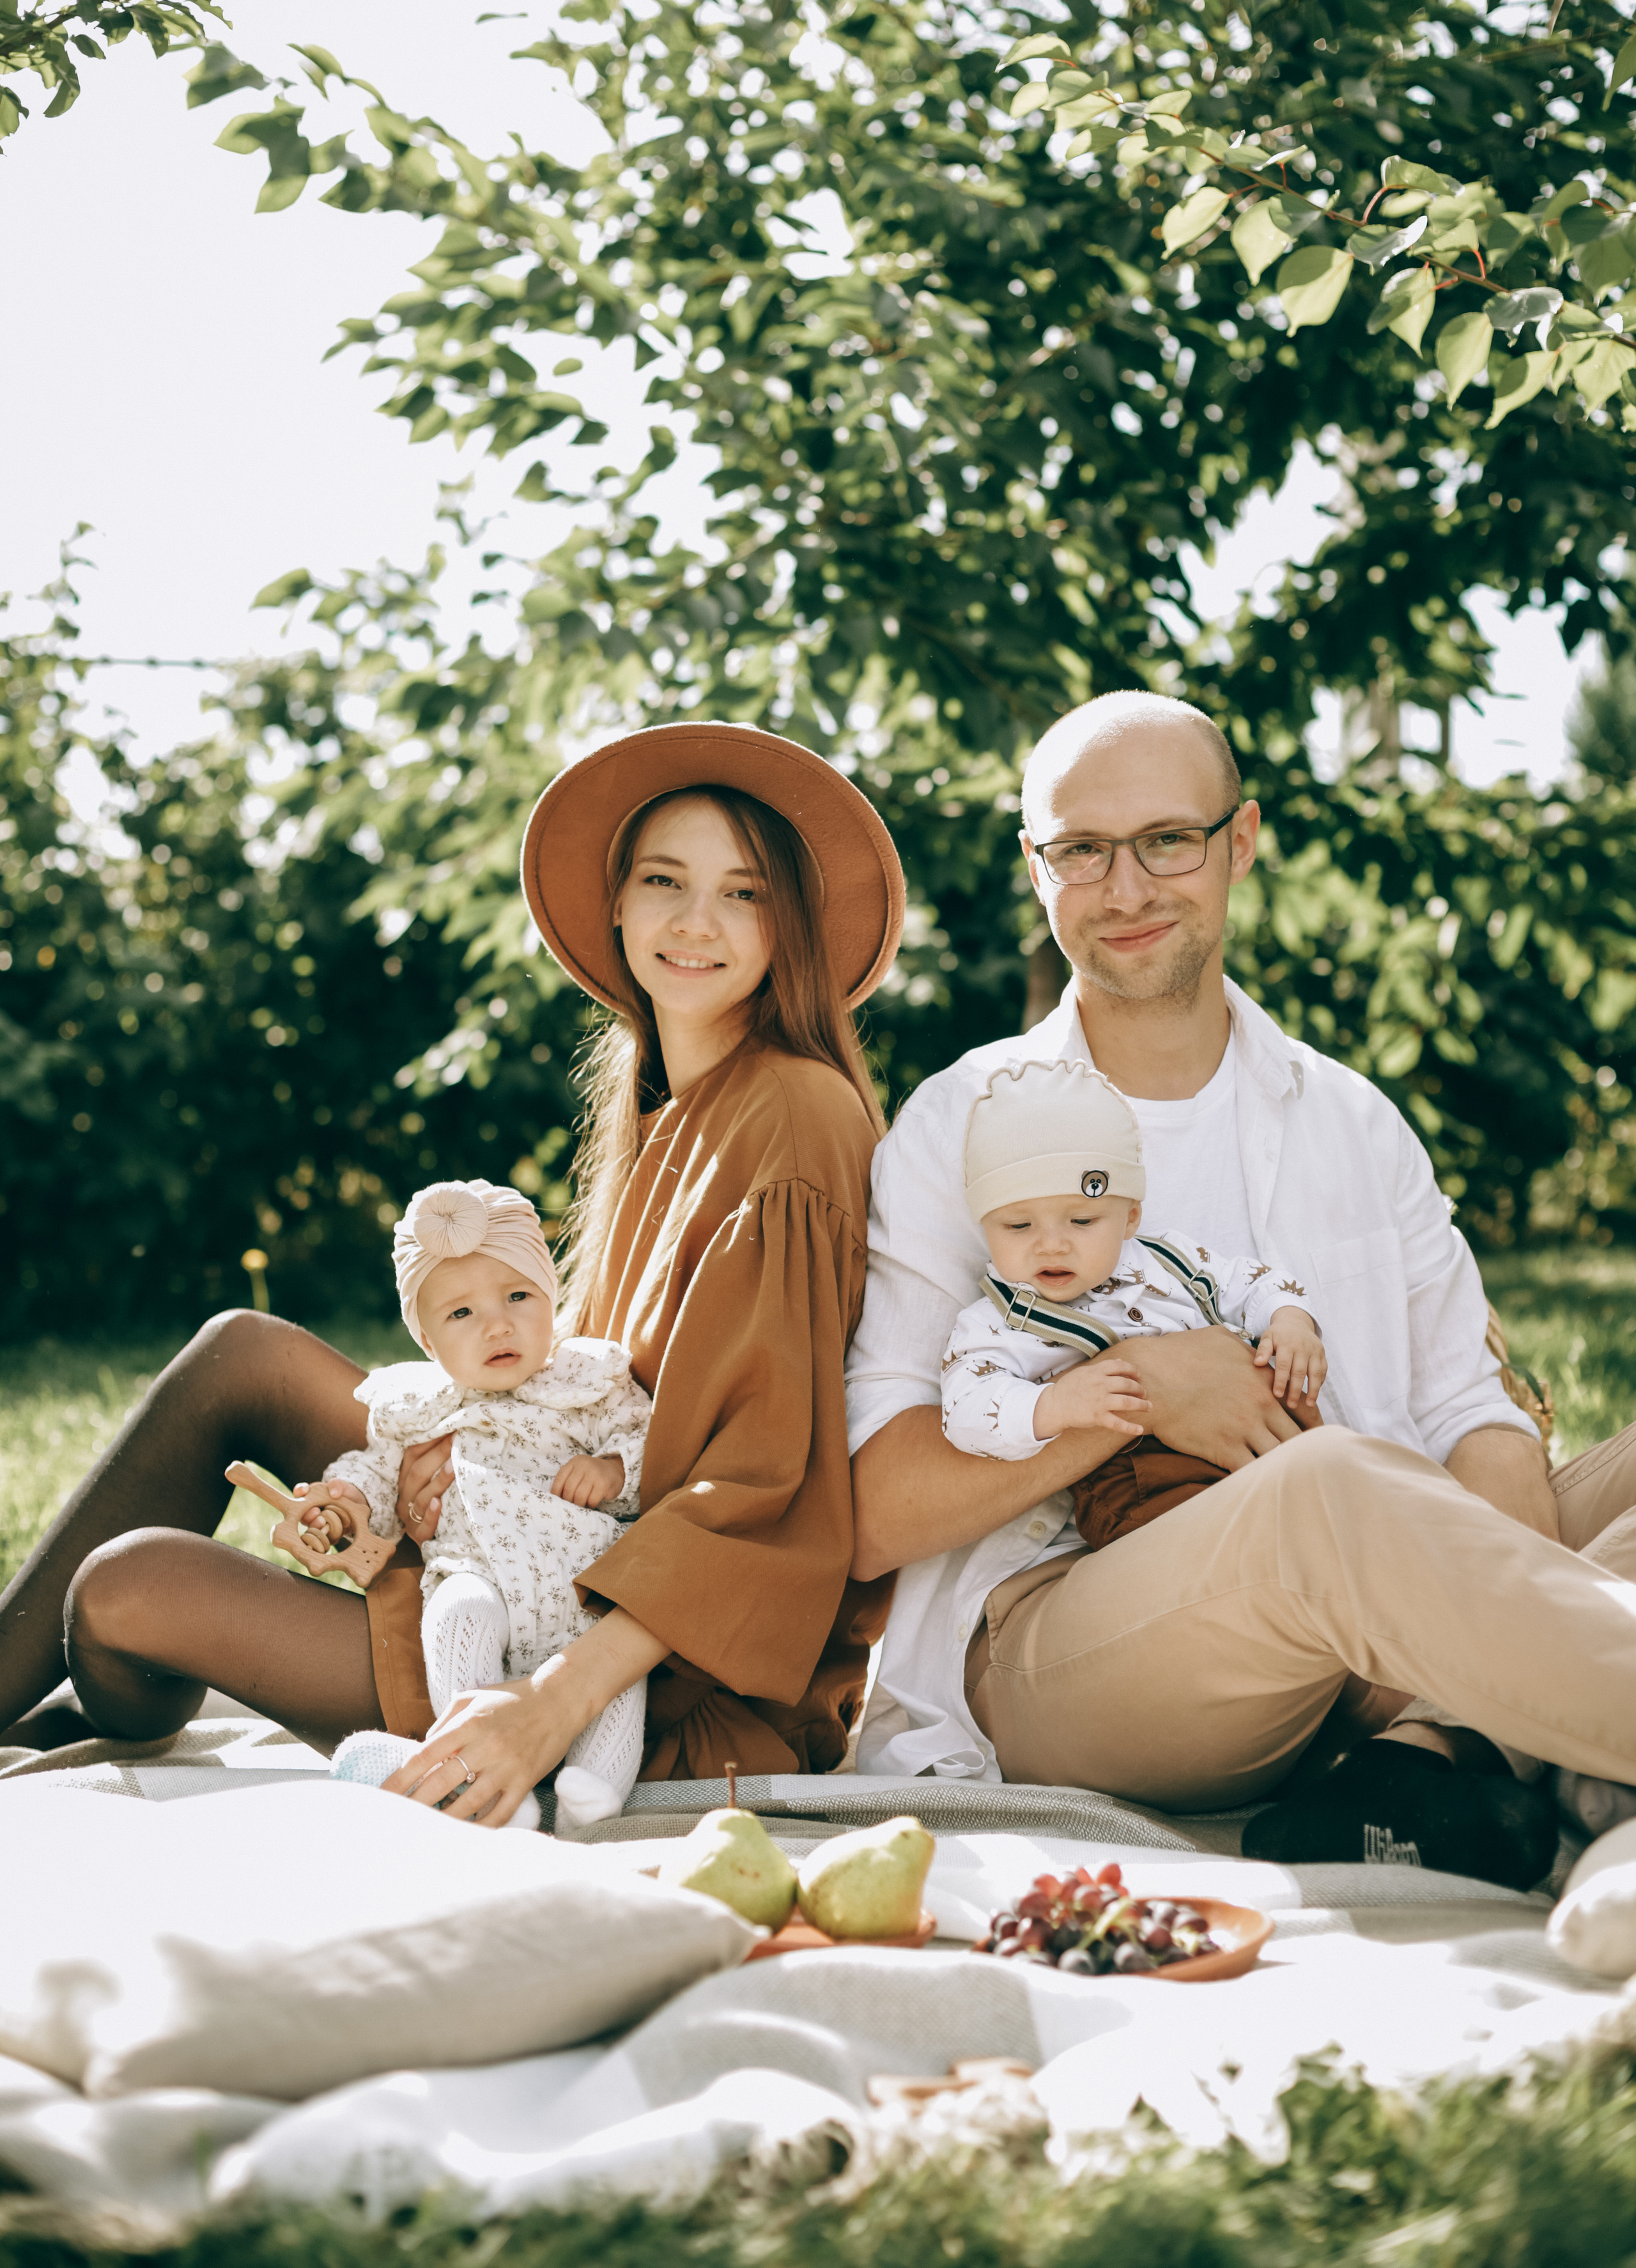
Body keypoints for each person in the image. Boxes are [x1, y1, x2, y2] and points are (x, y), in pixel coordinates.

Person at [0, 722, 903, 1828]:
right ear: (617, 903)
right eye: (665, 879)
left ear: (789, 926)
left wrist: (542, 1708)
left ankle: (62, 1697)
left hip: (648, 1674)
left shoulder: (797, 1122)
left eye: (743, 893)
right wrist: (419, 1468)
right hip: (540, 1532)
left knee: (124, 1592)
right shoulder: (670, 1110)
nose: (695, 922)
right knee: (247, 1353)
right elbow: (583, 1379)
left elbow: (766, 1488)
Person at [847, 690, 1636, 1890]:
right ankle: (1538, 1741)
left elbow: (1475, 1420)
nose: (1126, 891)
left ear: (1242, 842)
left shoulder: (1354, 1121)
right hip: (1072, 1650)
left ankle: (1444, 1758)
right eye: (1081, 851)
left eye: (1168, 840)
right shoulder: (965, 1122)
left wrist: (1446, 1681)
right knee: (1327, 1484)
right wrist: (1134, 1395)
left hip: (1371, 1621)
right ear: (1035, 866)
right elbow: (876, 1510)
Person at [311, 1177, 651, 1833]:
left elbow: (647, 1438)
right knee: (455, 1618)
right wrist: (347, 1500)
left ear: (551, 1300)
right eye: (461, 1314)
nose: (497, 1323)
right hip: (480, 1574)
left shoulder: (587, 1382)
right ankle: (482, 1780)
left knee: (616, 1675)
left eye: (519, 1297)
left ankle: (598, 1789)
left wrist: (613, 1469)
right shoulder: (419, 1406)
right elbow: (376, 1474)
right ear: (429, 1344)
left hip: (582, 1584)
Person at [942, 1057, 1325, 1548]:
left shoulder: (1171, 1259)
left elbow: (1251, 1282)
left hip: (1263, 1439)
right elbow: (964, 1410)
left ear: (1129, 1218)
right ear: (986, 1226)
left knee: (1341, 1498)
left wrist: (1290, 1319)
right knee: (1217, 1543)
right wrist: (1052, 1404)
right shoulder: (995, 1324)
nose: (1052, 1244)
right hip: (1142, 1478)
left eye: (1081, 1221)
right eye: (1019, 1226)